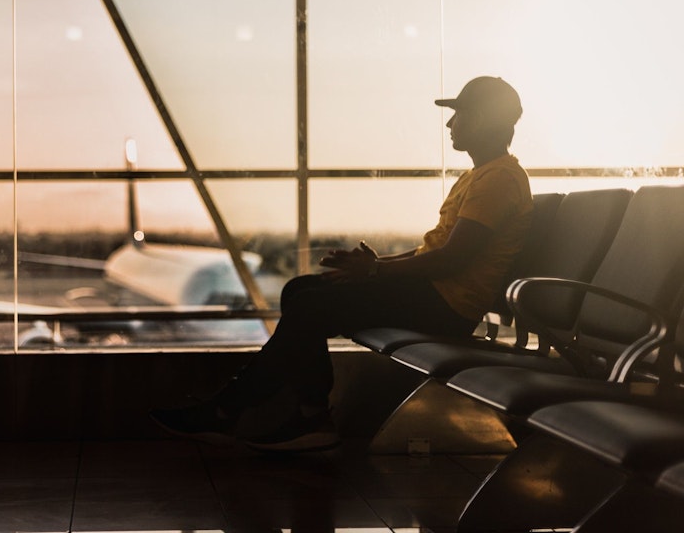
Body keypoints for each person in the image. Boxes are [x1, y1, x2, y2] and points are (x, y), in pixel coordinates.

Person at [151, 76, 534, 452]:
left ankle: (232, 410)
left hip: (446, 307)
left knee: (309, 303)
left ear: (481, 119)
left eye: (459, 114)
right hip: (434, 295)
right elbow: (433, 252)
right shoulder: (481, 176)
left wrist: (376, 272)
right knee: (300, 289)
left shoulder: (498, 178)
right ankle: (308, 415)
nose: (451, 124)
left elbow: (452, 259)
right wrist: (375, 265)